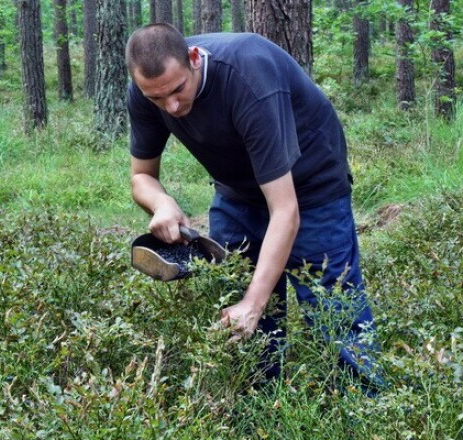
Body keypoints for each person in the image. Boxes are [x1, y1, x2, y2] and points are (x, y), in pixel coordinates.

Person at [125, 23, 385, 392]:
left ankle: (365, 413)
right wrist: (161, 203)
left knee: (332, 307)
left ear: (195, 60)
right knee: (238, 309)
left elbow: (285, 211)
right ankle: (259, 415)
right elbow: (141, 177)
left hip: (311, 187)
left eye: (178, 89)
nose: (172, 106)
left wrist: (255, 302)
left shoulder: (248, 77)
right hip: (238, 191)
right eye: (157, 99)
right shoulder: (146, 90)